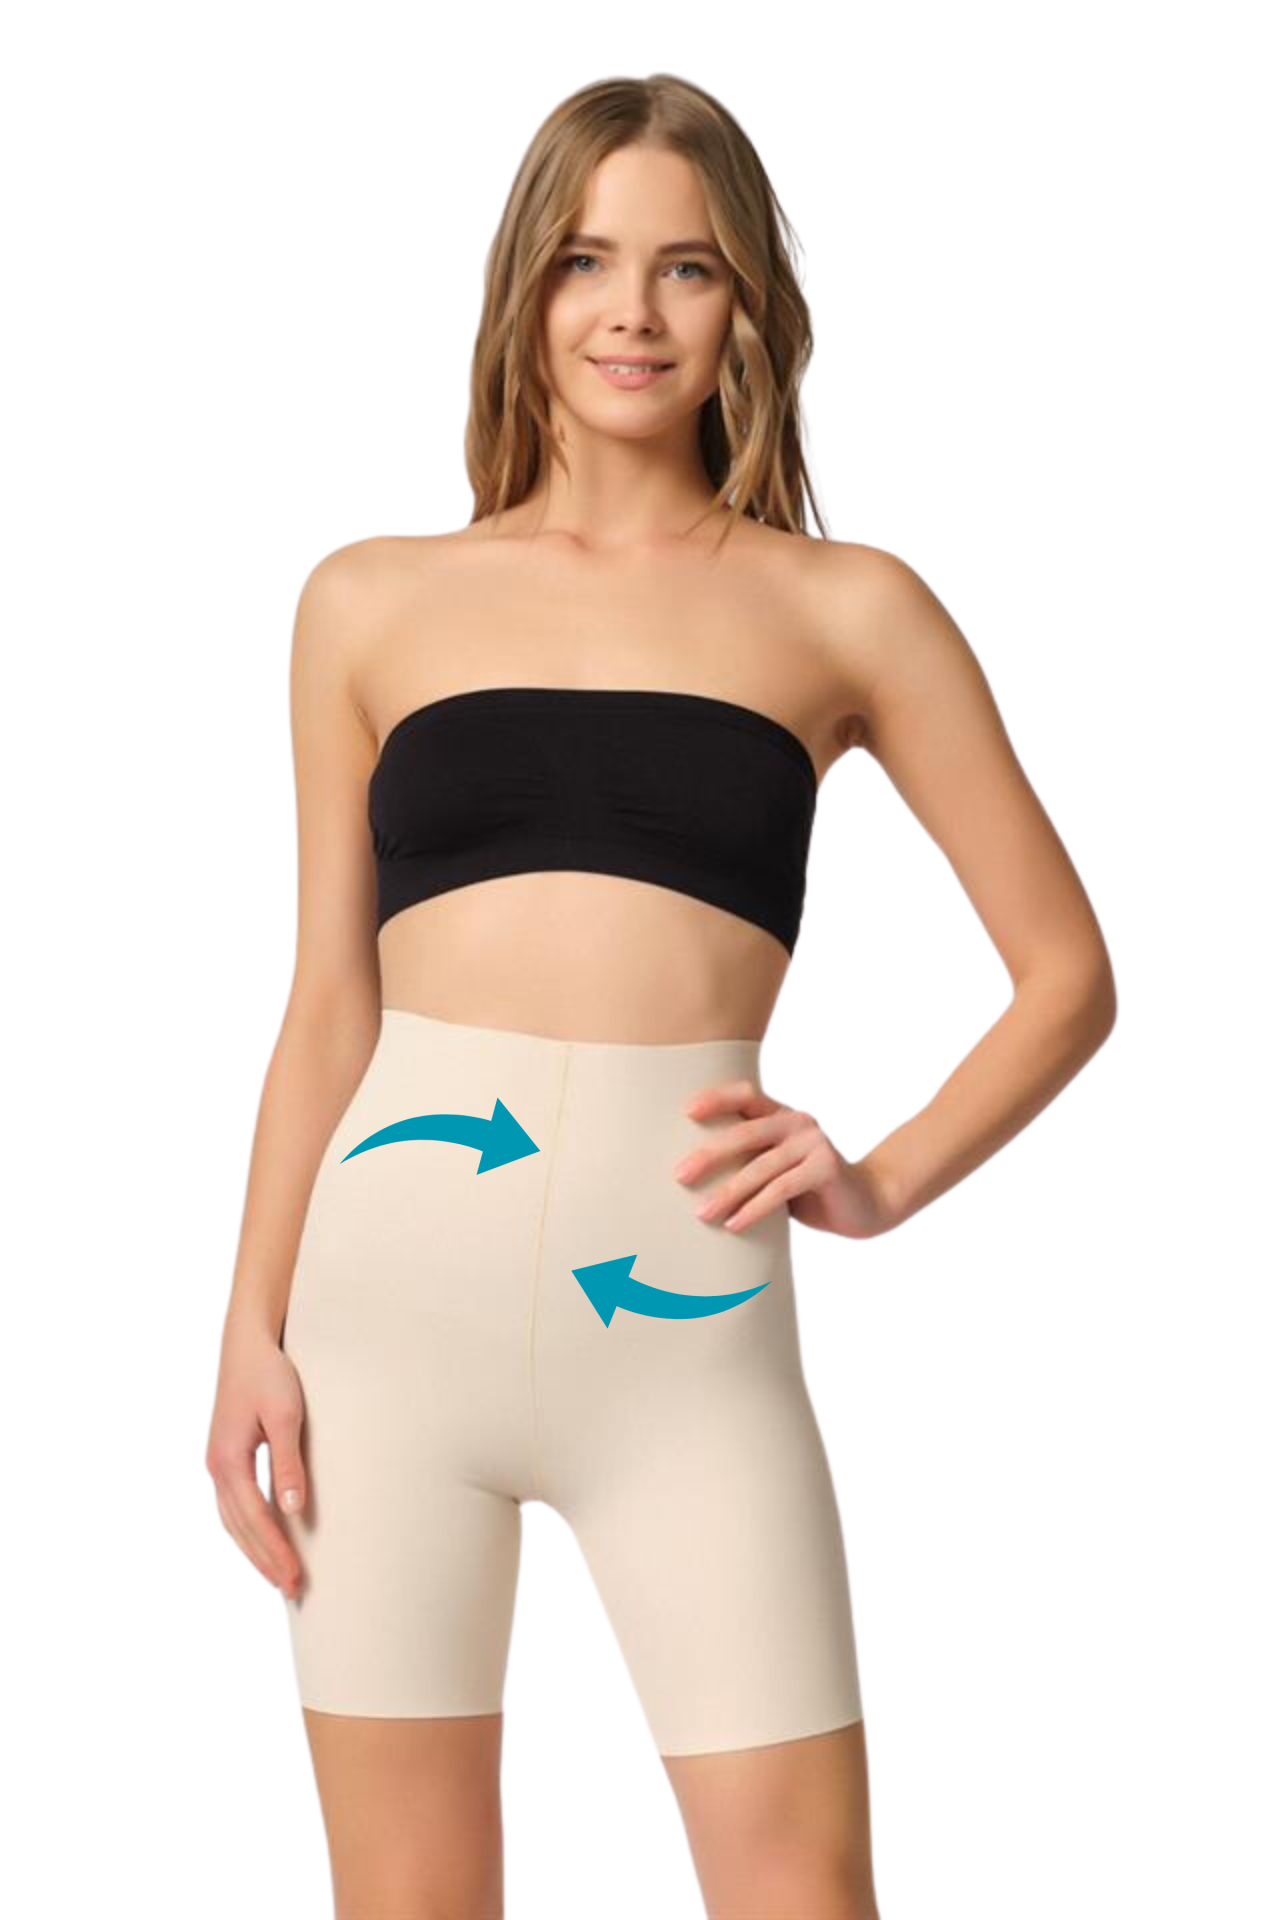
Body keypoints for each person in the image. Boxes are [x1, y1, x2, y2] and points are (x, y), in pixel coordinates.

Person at [205, 71, 1116, 1920]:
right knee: (406, 1899)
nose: (632, 311)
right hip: (379, 1332)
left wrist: (884, 1177)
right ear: (524, 291)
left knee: (801, 1890)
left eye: (686, 267)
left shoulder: (847, 609)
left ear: (745, 306)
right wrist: (245, 1326)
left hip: (688, 1337)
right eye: (587, 261)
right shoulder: (367, 603)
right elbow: (327, 1007)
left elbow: (1067, 974)